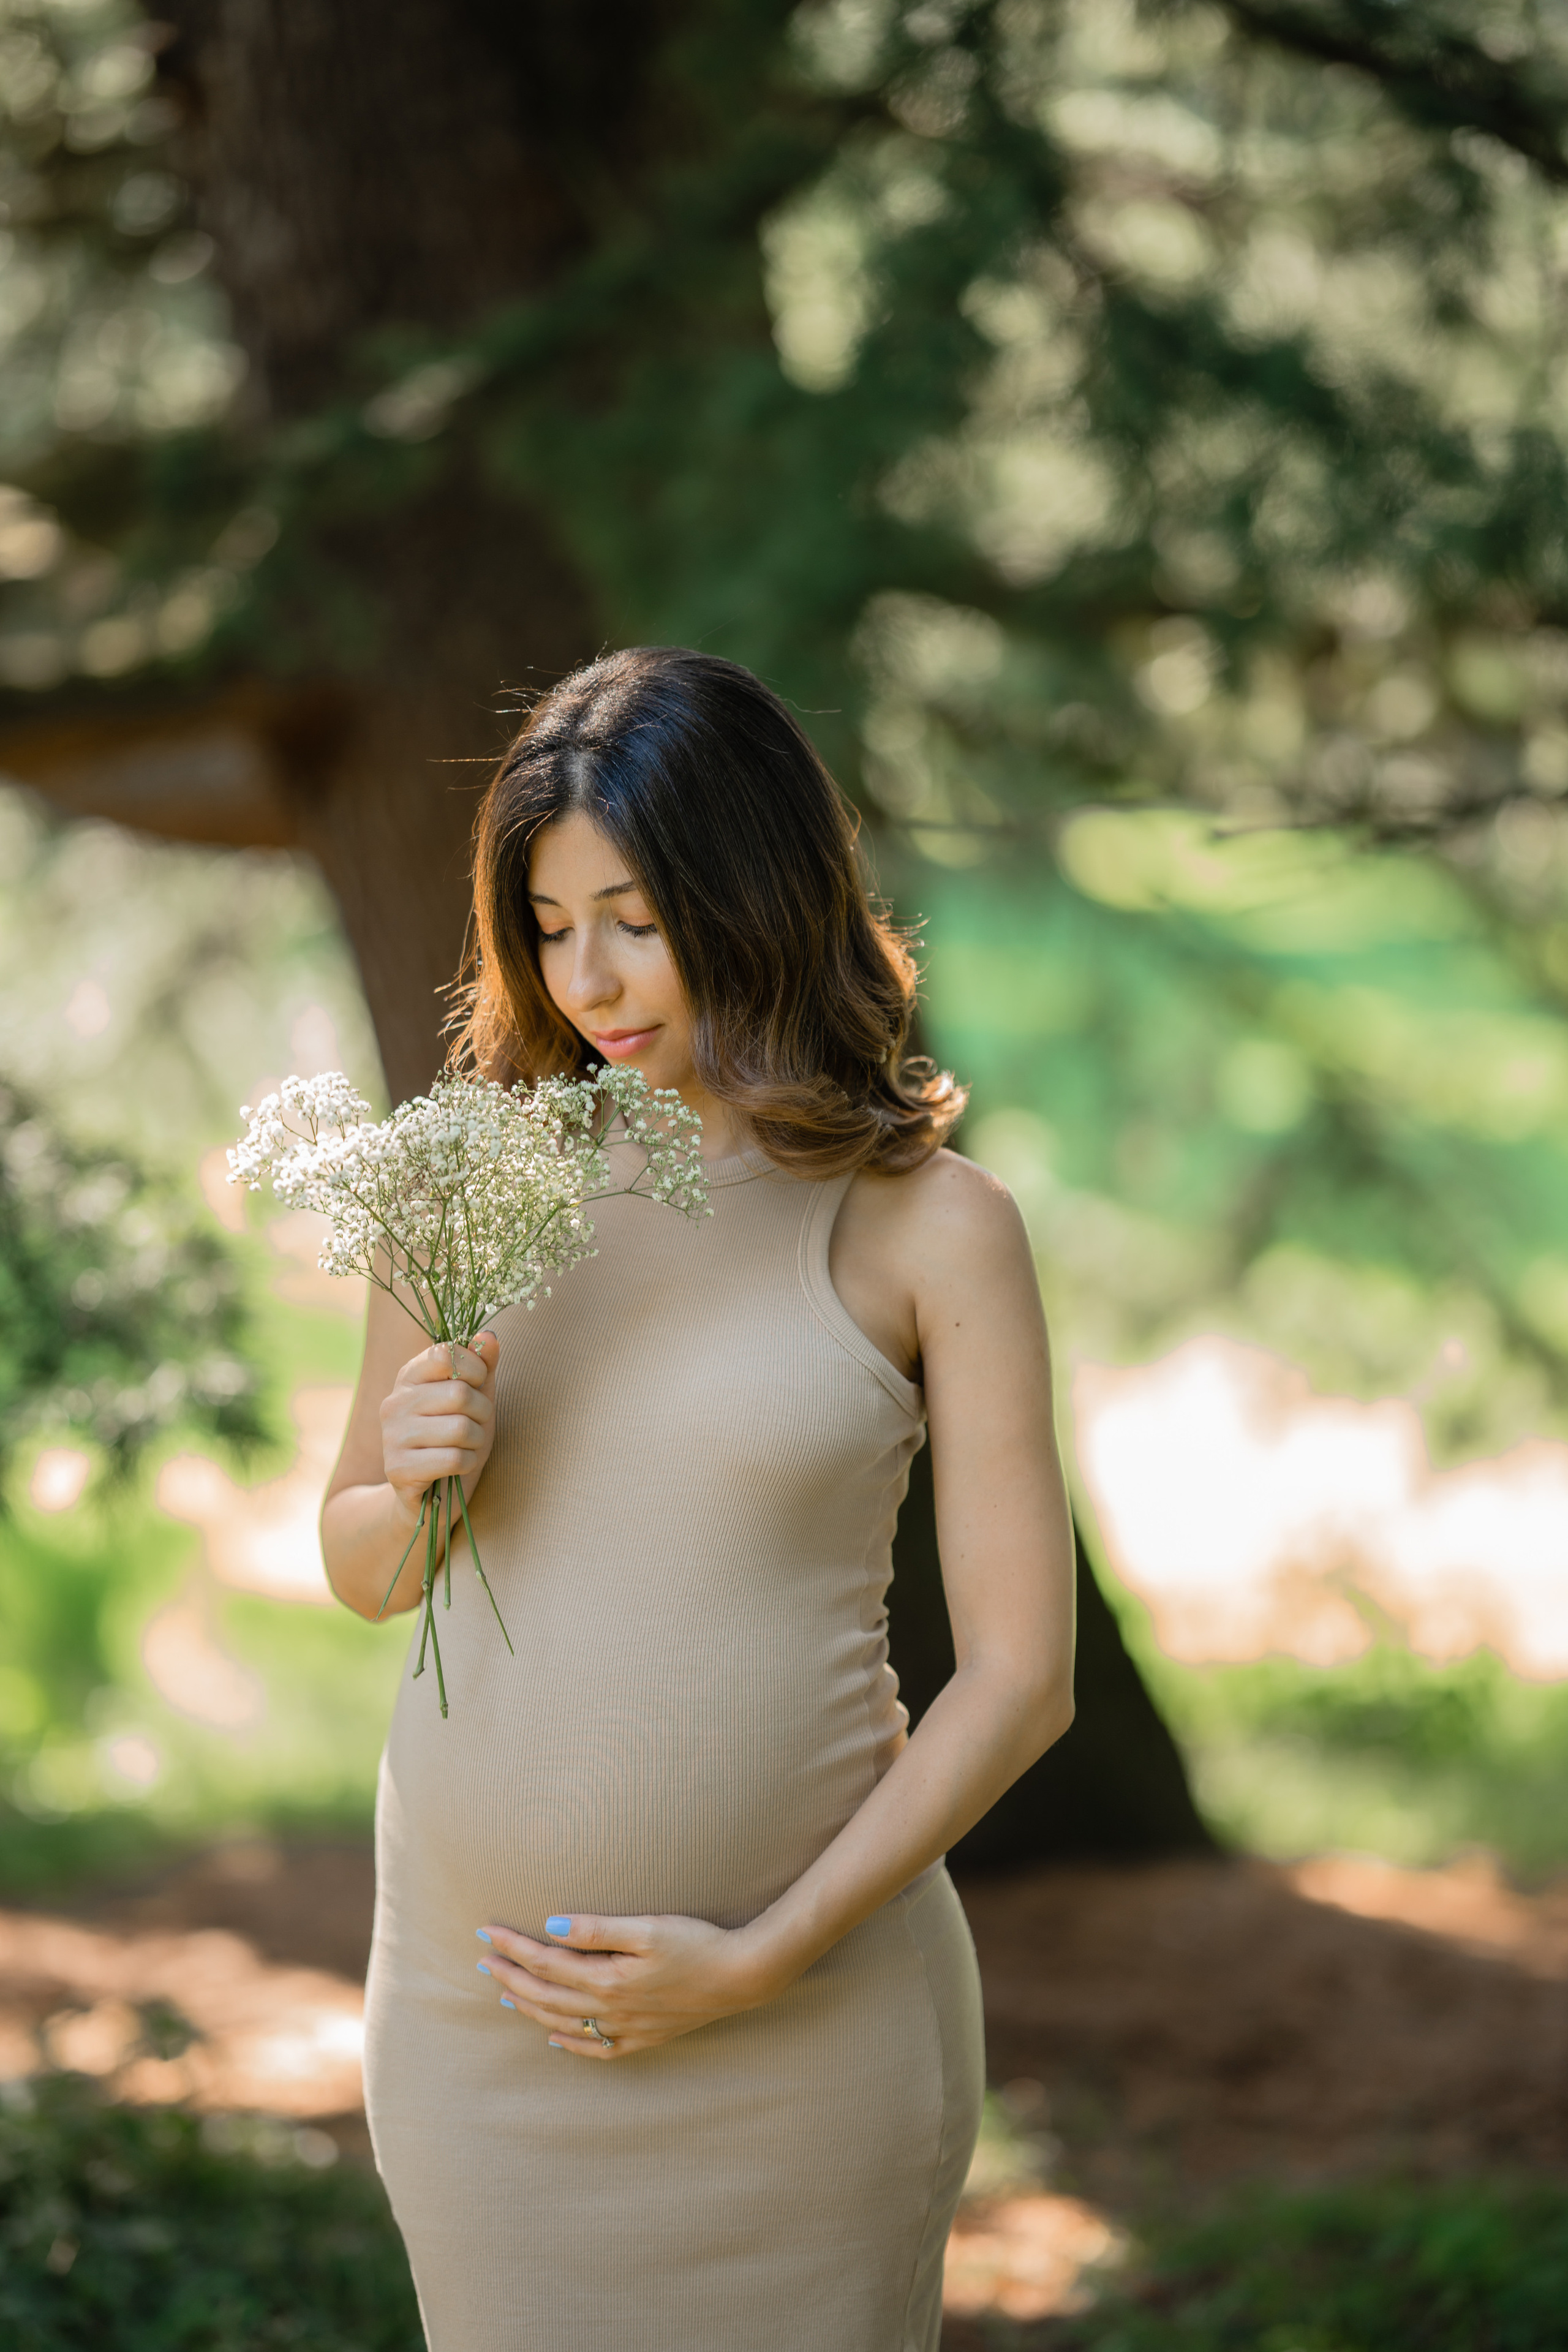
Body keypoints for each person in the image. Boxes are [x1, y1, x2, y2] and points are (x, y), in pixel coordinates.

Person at [321, 647, 1076, 2352]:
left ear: (757, 897)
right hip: (478, 2032)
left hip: (805, 2032)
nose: (587, 977)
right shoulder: (463, 1184)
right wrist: (418, 1476)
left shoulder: (930, 1225)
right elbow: (363, 1567)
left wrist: (764, 1956)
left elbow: (1025, 1678)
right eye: (549, 925)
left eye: (638, 919)